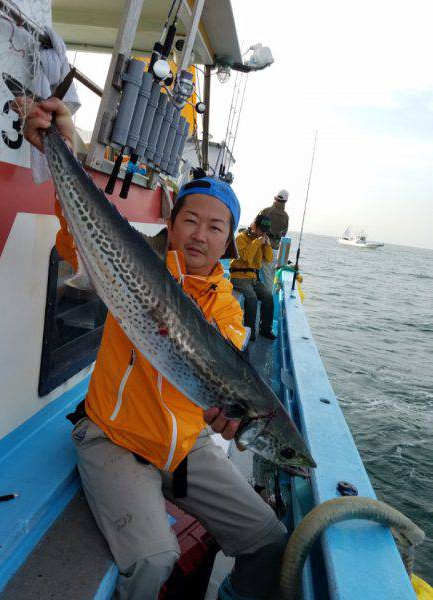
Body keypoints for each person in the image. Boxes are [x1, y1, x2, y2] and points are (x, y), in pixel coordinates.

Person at [21, 98, 286, 600]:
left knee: (268, 539)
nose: (200, 235)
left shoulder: (228, 311)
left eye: (216, 226)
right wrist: (62, 144)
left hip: (184, 446)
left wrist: (224, 413)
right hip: (114, 437)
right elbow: (80, 235)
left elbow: (218, 360)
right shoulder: (136, 258)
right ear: (173, 221)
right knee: (152, 559)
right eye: (190, 220)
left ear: (229, 239)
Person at [229, 214, 276, 341]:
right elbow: (244, 257)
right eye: (261, 229)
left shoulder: (261, 240)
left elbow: (269, 259)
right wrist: (256, 243)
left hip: (254, 278)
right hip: (239, 277)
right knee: (252, 298)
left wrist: (266, 245)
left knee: (268, 297)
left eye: (265, 230)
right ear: (254, 226)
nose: (263, 233)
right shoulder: (241, 238)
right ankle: (250, 331)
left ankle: (265, 329)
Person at [258, 190, 289, 291]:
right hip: (275, 249)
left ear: (275, 198)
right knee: (270, 277)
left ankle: (267, 300)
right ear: (286, 201)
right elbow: (283, 234)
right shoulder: (286, 216)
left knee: (261, 276)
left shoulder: (266, 211)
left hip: (261, 246)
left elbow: (255, 226)